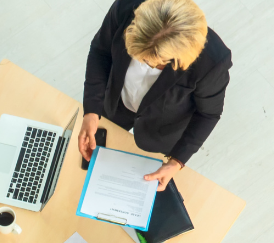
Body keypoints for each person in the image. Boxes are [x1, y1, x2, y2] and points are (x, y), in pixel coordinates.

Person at [79, 0, 232, 191]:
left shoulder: (213, 62)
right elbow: (100, 51)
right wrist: (92, 110)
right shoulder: (127, 6)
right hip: (116, 102)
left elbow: (208, 114)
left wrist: (176, 162)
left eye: (153, 63)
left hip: (163, 128)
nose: (142, 64)